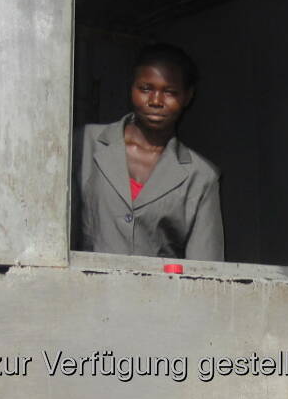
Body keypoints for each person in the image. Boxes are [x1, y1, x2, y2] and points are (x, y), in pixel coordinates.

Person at [74, 43, 223, 261]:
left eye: (170, 92)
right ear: (131, 87)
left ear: (187, 97)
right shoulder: (85, 143)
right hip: (83, 290)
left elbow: (206, 268)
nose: (155, 101)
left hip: (158, 294)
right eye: (145, 88)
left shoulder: (201, 177)